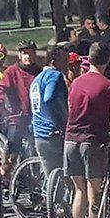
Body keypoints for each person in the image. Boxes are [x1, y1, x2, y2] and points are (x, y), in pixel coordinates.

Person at [63, 42, 110, 218]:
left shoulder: (75, 83)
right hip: (93, 141)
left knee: (79, 191)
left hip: (70, 140)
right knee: (94, 193)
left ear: (89, 59)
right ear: (107, 61)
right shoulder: (108, 86)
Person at [0, 41, 42, 172]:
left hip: (36, 116)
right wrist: (1, 104)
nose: (28, 57)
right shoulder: (11, 71)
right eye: (25, 54)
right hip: (17, 117)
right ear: (19, 55)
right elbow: (0, 88)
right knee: (13, 151)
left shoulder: (39, 71)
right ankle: (6, 174)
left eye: (31, 53)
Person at [31, 44, 71, 177]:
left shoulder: (36, 79)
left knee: (50, 177)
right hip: (53, 133)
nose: (67, 64)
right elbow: (49, 98)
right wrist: (61, 122)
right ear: (53, 61)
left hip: (39, 134)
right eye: (64, 60)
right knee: (68, 172)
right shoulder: (54, 75)